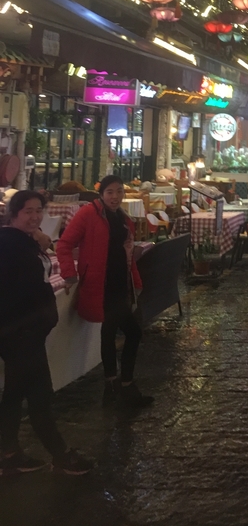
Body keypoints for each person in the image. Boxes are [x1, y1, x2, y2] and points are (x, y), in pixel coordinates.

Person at [0, 191, 92, 475]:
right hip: (20, 333)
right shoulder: (9, 245)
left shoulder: (23, 241)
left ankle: (8, 453)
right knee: (40, 394)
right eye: (28, 211)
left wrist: (41, 240)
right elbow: (20, 289)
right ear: (13, 214)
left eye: (39, 210)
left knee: (14, 393)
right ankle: (60, 455)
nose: (35, 216)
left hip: (22, 331)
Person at [56, 175, 153, 409]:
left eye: (119, 191)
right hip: (100, 285)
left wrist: (136, 282)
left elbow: (127, 255)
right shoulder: (88, 214)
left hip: (120, 283)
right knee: (129, 332)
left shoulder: (122, 218)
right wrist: (70, 274)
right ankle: (124, 386)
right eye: (110, 192)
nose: (115, 196)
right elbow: (64, 244)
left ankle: (114, 386)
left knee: (112, 333)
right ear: (101, 194)